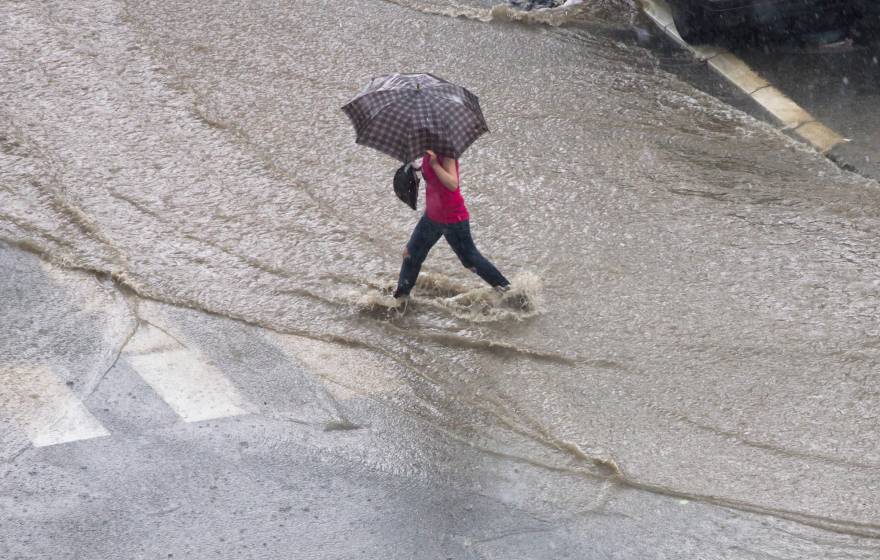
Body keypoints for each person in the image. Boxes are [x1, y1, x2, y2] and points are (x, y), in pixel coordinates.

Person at [393, 149, 510, 300]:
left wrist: (435, 165)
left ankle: (508, 292)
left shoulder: (446, 151)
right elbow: (432, 178)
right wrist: (415, 167)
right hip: (432, 217)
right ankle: (401, 300)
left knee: (469, 261)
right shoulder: (429, 150)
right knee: (410, 255)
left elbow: (452, 183)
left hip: (453, 218)